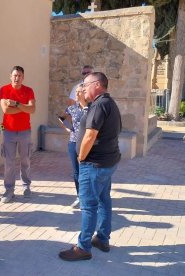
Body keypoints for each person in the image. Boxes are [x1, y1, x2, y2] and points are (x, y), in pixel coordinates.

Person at [59, 72, 122, 261]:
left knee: (88, 206)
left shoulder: (100, 105)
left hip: (93, 164)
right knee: (103, 201)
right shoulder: (108, 103)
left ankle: (83, 247)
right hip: (107, 162)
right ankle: (102, 239)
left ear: (97, 85)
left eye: (85, 85)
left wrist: (80, 156)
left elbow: (89, 135)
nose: (83, 88)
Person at [0, 66, 36, 203]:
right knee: (9, 162)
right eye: (15, 75)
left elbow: (32, 109)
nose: (17, 78)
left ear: (23, 77)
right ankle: (9, 190)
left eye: (19, 75)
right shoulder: (4, 90)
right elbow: (6, 110)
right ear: (10, 76)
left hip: (25, 131)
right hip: (8, 131)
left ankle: (26, 186)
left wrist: (16, 104)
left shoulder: (29, 90)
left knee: (25, 160)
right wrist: (23, 107)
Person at [58, 84, 88, 209]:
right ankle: (80, 196)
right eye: (75, 91)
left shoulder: (91, 108)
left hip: (87, 143)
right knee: (76, 172)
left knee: (86, 171)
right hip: (73, 142)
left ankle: (88, 196)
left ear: (84, 93)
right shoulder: (72, 108)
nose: (76, 94)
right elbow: (60, 118)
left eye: (78, 91)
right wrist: (67, 128)